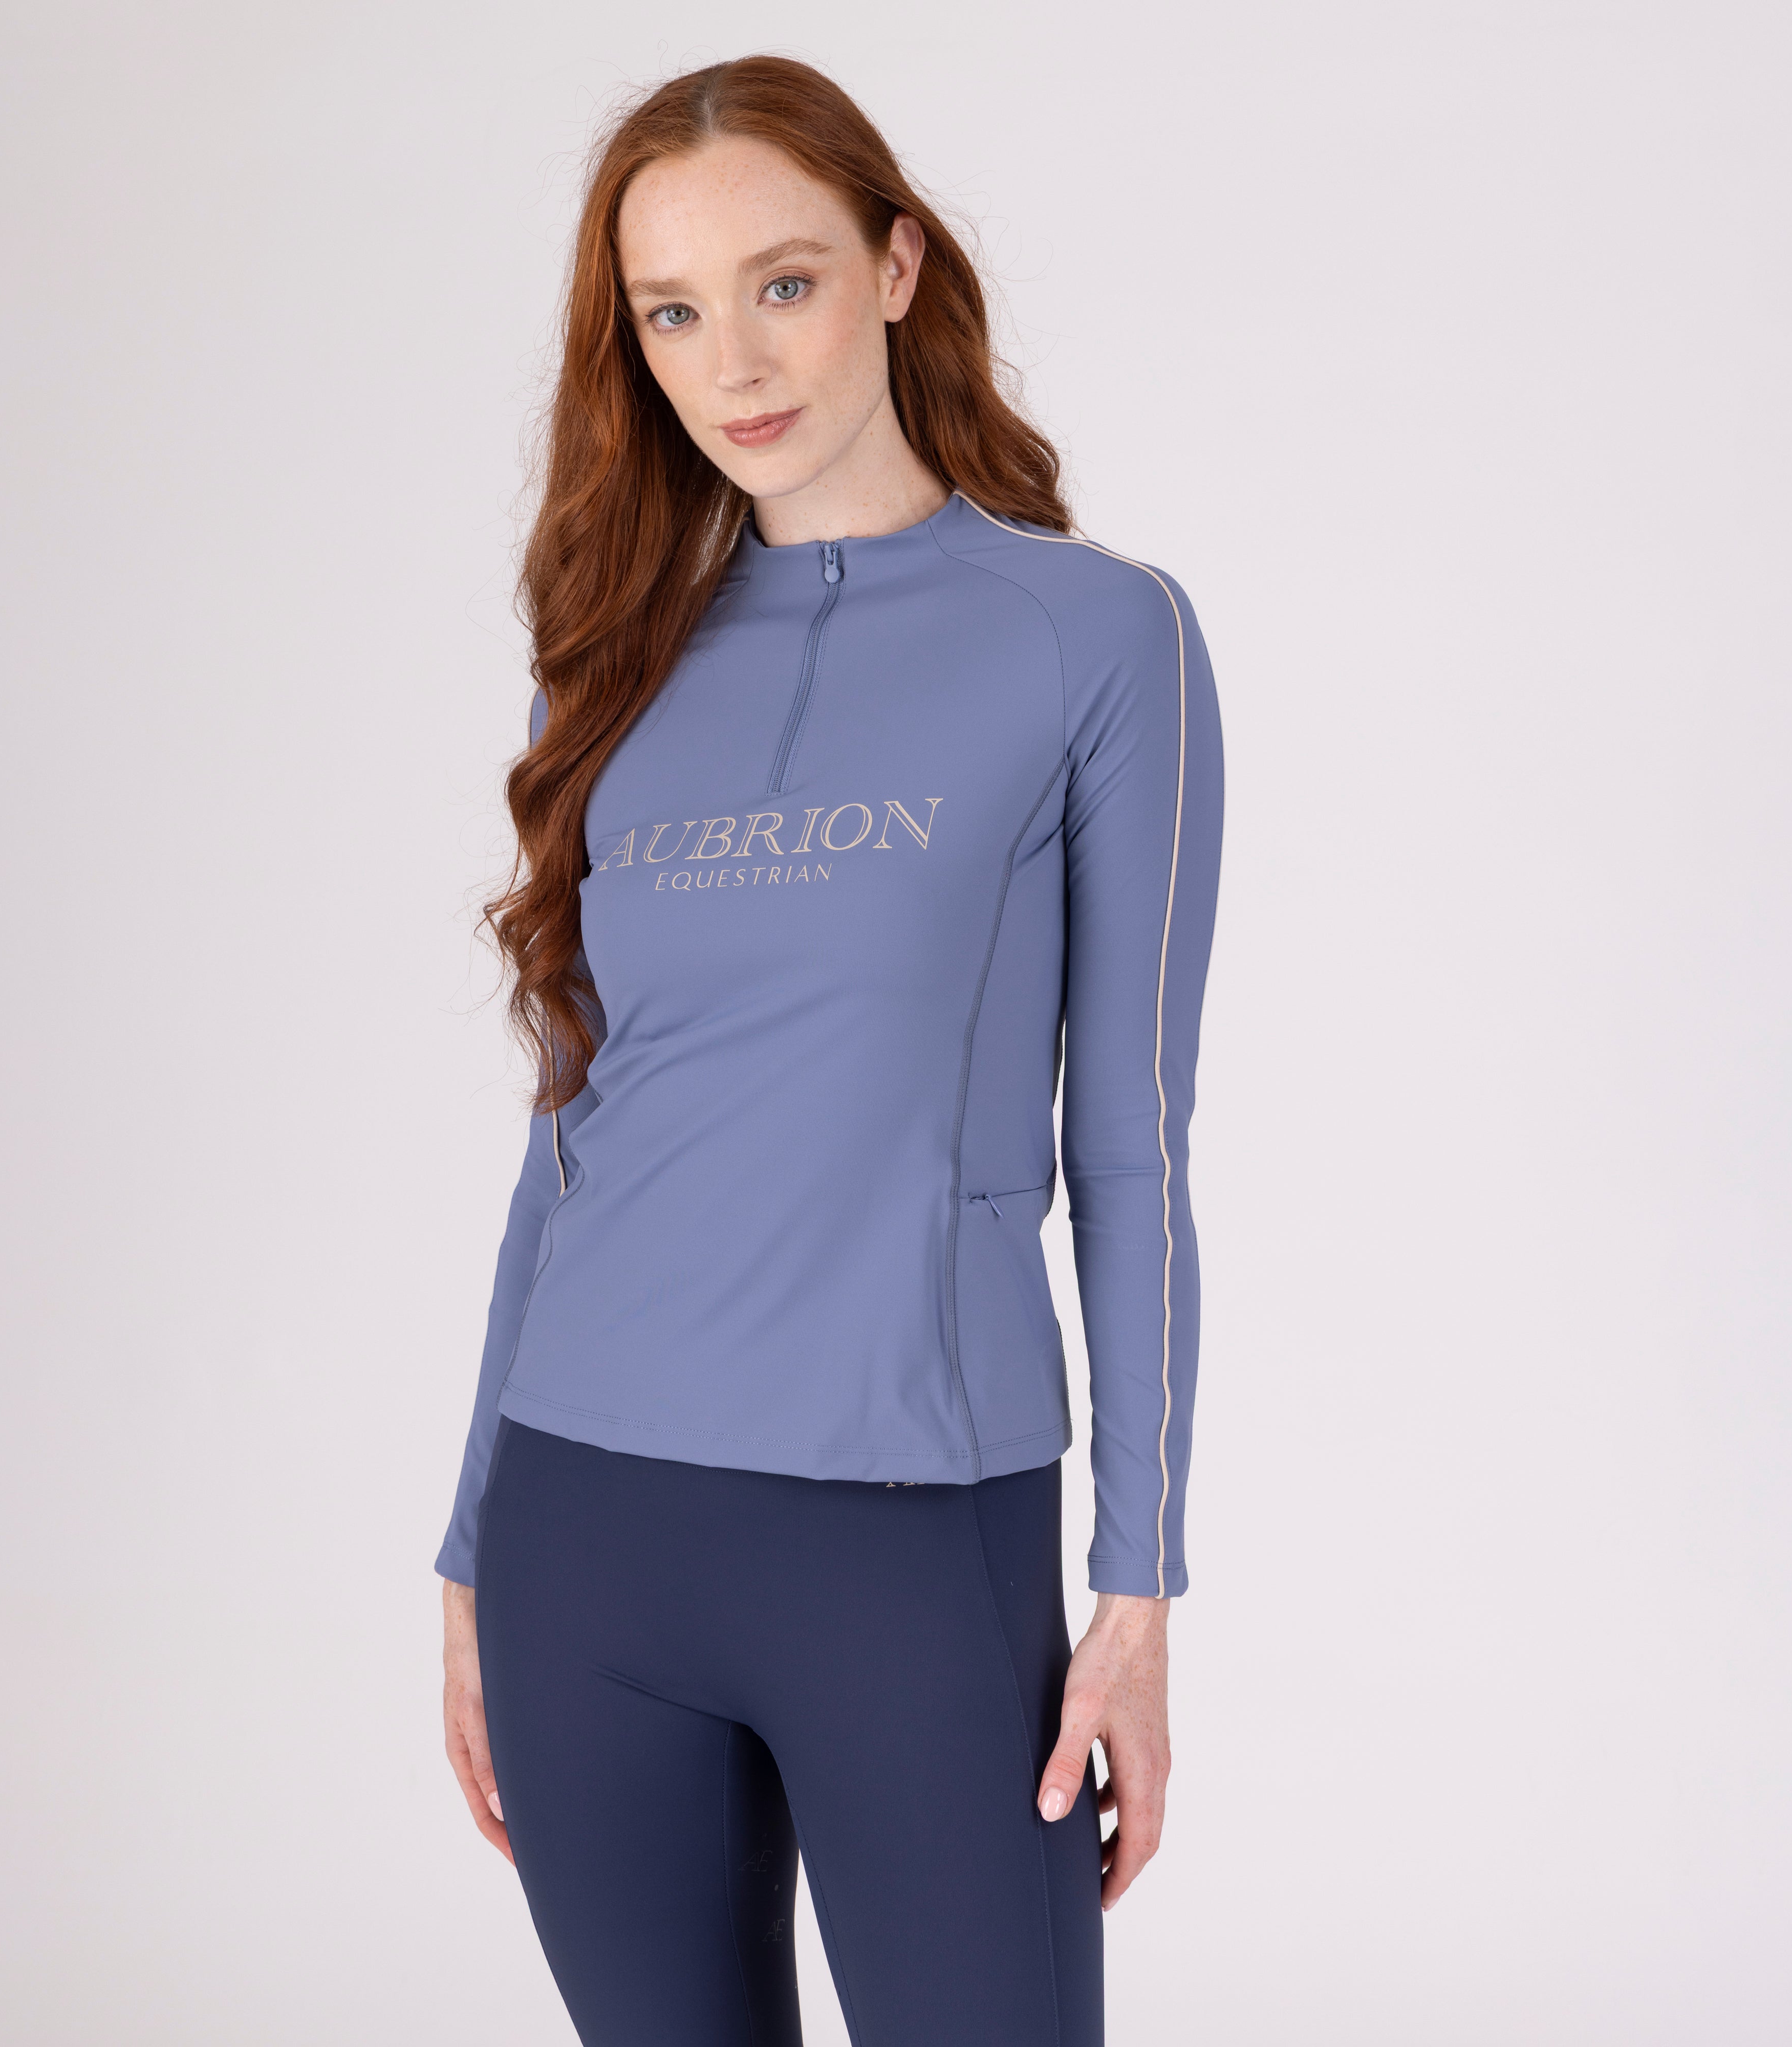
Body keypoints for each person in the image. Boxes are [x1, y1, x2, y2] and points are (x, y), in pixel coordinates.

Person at [436, 54, 1224, 2047]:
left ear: (896, 266)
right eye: (671, 312)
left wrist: (1137, 1589)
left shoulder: (1093, 638)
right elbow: (570, 1134)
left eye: (781, 283)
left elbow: (1130, 1144)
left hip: (909, 1545)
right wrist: (469, 1552)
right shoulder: (609, 663)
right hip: (582, 1545)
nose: (733, 362)